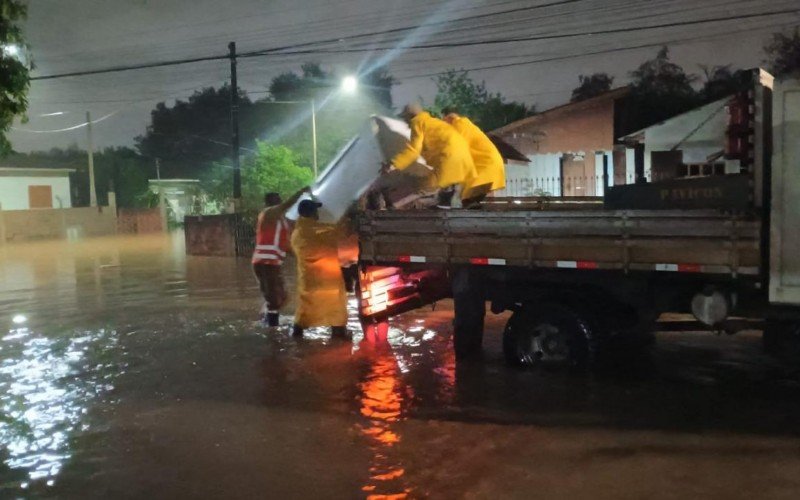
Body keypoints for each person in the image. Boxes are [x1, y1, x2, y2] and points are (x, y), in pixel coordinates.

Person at [384, 103, 476, 208]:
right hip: (465, 161)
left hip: (449, 160)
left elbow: (413, 151)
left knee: (424, 189)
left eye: (405, 118)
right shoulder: (434, 122)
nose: (405, 122)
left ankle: (392, 208)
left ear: (409, 117)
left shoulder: (418, 123)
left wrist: (393, 164)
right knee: (444, 193)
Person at [291, 199, 350, 339]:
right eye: (316, 210)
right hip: (329, 281)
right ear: (312, 213)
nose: (318, 213)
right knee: (336, 311)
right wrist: (347, 214)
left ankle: (297, 336)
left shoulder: (296, 233)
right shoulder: (321, 230)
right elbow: (341, 232)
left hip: (308, 282)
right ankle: (339, 335)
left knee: (305, 310)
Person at [252, 186, 309, 327]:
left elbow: (285, 243)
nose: (279, 202)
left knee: (283, 297)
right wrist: (301, 192)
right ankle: (272, 327)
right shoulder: (269, 213)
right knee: (275, 298)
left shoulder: (280, 220)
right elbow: (287, 205)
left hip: (272, 263)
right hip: (264, 262)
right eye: (276, 200)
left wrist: (299, 257)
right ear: (269, 202)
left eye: (279, 200)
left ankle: (267, 316)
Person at [442, 107, 506, 207]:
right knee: (467, 200)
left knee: (467, 199)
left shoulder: (460, 125)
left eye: (444, 121)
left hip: (485, 166)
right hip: (488, 165)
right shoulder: (465, 126)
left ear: (449, 118)